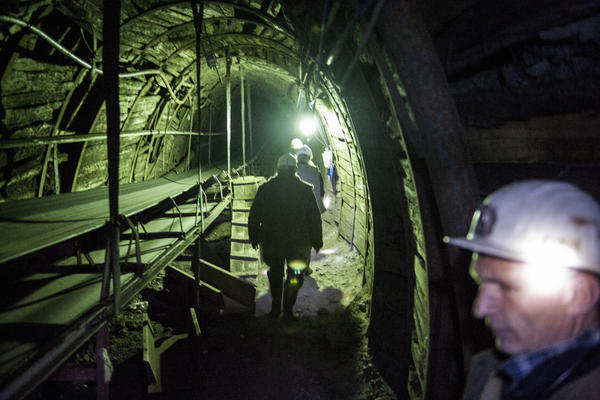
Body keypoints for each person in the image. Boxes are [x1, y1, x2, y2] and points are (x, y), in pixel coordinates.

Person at [445, 180, 600, 400]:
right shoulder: (489, 371)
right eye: (480, 283)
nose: (480, 309)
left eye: (507, 287)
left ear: (579, 296)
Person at [248, 153, 323, 319]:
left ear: (278, 168)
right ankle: (288, 309)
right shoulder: (305, 190)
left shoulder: (265, 189)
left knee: (275, 274)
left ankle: (276, 309)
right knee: (295, 275)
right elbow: (314, 218)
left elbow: (254, 215)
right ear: (295, 168)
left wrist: (253, 235)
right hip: (298, 243)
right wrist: (316, 240)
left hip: (272, 241)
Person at [296, 144, 326, 213]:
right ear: (309, 159)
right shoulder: (317, 172)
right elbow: (322, 193)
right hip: (315, 211)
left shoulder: (291, 171)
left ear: (297, 158)